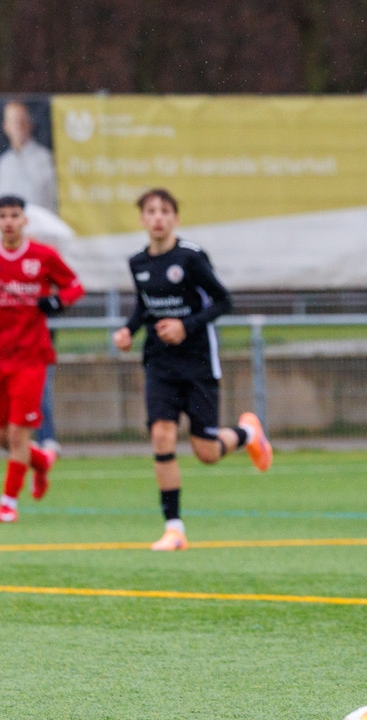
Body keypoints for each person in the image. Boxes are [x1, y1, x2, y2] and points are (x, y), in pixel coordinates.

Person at [113, 188, 272, 552]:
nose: (158, 217)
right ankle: (174, 529)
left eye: (165, 211)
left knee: (206, 452)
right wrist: (128, 330)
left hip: (198, 362)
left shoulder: (191, 257)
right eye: (151, 211)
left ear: (176, 218)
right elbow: (144, 306)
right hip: (159, 362)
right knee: (161, 436)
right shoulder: (137, 262)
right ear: (142, 219)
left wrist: (185, 326)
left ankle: (248, 433)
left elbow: (223, 301)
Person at [0, 195, 84, 523]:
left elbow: (74, 287)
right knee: (2, 438)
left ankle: (8, 504)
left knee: (17, 435)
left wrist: (56, 302)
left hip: (31, 357)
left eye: (15, 215)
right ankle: (41, 462)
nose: (9, 221)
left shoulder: (43, 255)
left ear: (25, 220)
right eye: (3, 216)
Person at [0, 102, 57, 212]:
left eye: (22, 120)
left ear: (30, 124)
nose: (18, 125)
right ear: (5, 127)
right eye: (13, 121)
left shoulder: (46, 158)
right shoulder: (3, 162)